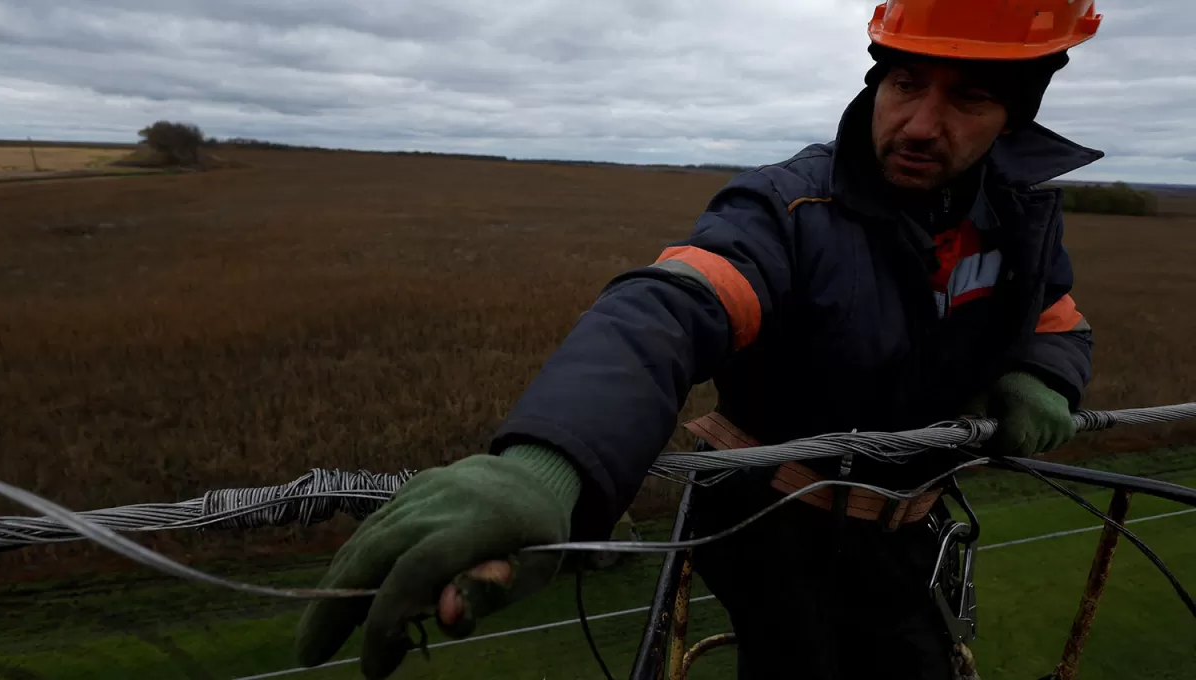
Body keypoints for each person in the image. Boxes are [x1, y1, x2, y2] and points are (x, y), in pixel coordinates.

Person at [293, 2, 1104, 678]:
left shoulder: (1019, 214)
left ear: (1014, 116)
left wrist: (1046, 375)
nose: (921, 123)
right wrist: (548, 468)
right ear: (878, 80)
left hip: (905, 525)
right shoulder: (792, 210)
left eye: (967, 98)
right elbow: (669, 310)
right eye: (906, 82)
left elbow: (1052, 314)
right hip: (772, 522)